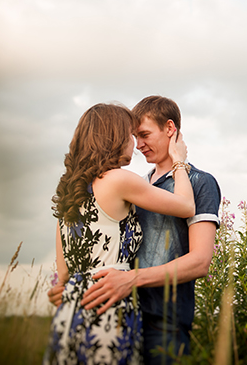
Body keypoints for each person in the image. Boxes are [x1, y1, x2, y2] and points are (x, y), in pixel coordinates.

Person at [44, 103, 194, 365]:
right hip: (107, 306)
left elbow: (64, 274)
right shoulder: (118, 180)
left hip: (70, 310)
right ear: (113, 137)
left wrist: (64, 290)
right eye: (129, 135)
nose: (134, 145)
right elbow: (186, 206)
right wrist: (179, 161)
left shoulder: (69, 190)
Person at [82, 96, 221, 363]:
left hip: (165, 324)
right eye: (135, 136)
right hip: (121, 317)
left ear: (170, 129)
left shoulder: (200, 182)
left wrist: (131, 279)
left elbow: (200, 262)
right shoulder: (136, 186)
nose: (138, 145)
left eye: (144, 135)